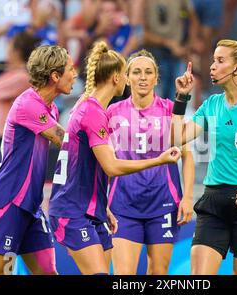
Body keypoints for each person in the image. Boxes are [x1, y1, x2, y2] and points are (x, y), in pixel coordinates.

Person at [48, 41, 182, 275]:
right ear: (117, 78)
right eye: (127, 73)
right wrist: (158, 160)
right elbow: (111, 167)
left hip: (92, 210)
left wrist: (103, 206)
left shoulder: (88, 107)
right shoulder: (95, 113)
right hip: (73, 209)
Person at [171, 39, 237, 275]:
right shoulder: (212, 105)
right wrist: (181, 98)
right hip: (214, 199)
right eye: (213, 60)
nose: (212, 66)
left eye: (220, 60)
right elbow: (176, 139)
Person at [0, 45, 77, 275]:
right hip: (9, 205)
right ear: (55, 76)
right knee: (4, 275)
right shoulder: (28, 103)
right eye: (71, 69)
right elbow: (66, 141)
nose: (75, 74)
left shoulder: (50, 109)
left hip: (30, 207)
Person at [107, 49, 194, 275]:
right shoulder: (113, 112)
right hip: (123, 204)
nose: (142, 77)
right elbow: (102, 161)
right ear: (127, 78)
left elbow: (187, 155)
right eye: (136, 72)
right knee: (123, 275)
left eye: (148, 72)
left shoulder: (169, 109)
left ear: (157, 78)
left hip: (163, 203)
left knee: (158, 272)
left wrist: (187, 197)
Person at [0, 32, 41, 140]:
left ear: (17, 52)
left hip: (13, 136)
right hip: (8, 135)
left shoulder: (21, 76)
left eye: (9, 46)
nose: (7, 50)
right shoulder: (16, 74)